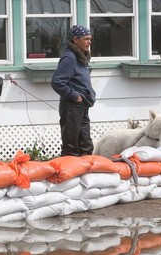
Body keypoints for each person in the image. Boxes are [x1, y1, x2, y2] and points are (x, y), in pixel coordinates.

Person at [51, 24, 96, 157]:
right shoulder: (70, 57)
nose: (89, 42)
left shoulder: (81, 57)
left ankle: (86, 171)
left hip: (83, 104)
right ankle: (70, 172)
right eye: (86, 39)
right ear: (76, 40)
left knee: (85, 143)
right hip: (72, 106)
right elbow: (57, 81)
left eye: (90, 39)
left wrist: (89, 94)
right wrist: (75, 96)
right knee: (71, 143)